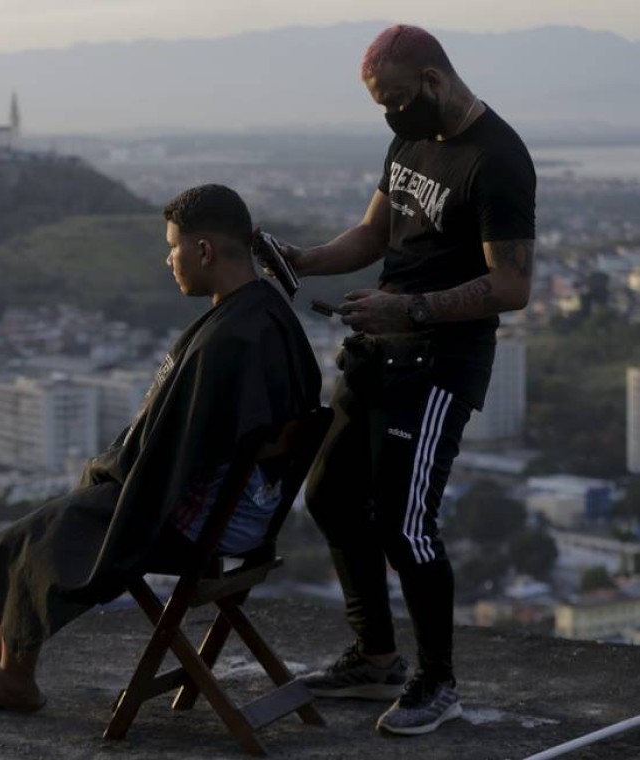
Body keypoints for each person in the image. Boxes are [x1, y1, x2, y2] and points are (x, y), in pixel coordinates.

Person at [0, 184, 321, 712]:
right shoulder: (265, 314)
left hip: (210, 521)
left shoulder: (229, 341)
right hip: (249, 510)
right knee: (65, 522)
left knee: (50, 531)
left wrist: (106, 473)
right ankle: (0, 662)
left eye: (173, 247)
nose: (167, 259)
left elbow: (168, 452)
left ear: (204, 251)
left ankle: (10, 675)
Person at [276, 25, 536, 736]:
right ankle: (374, 655)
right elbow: (372, 234)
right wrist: (301, 259)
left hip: (436, 368)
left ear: (431, 81)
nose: (388, 115)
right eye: (379, 105)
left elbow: (511, 285)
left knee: (405, 522)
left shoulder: (498, 159)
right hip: (376, 354)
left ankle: (436, 683)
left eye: (394, 100)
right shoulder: (407, 141)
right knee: (330, 496)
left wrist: (411, 309)